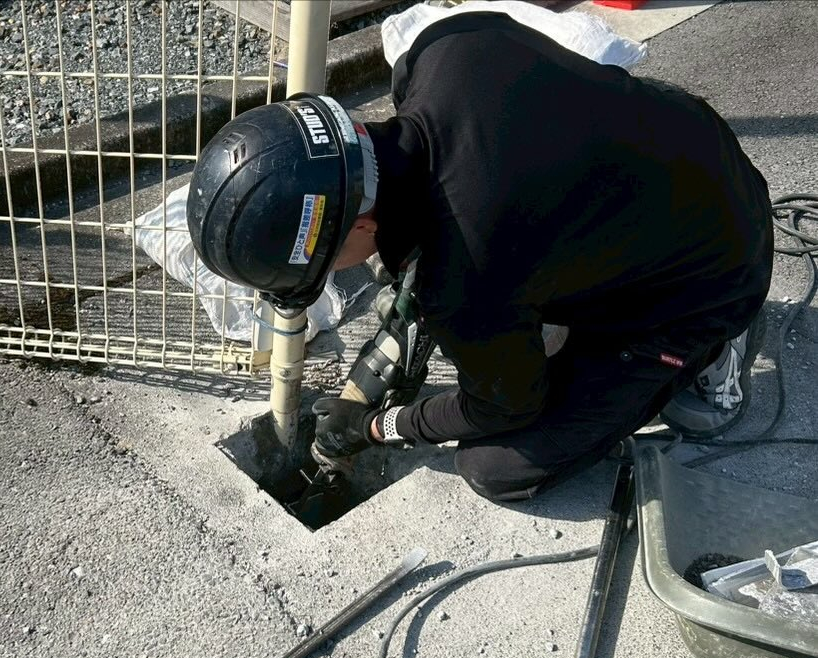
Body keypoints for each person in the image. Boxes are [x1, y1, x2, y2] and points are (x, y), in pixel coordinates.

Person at [186, 11, 772, 502]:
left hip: (715, 274)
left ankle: (713, 349)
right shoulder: (440, 51)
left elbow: (504, 407)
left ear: (361, 224)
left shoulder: (465, 285)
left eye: (322, 267)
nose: (330, 276)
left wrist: (377, 426)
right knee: (506, 290)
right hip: (701, 160)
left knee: (496, 469)